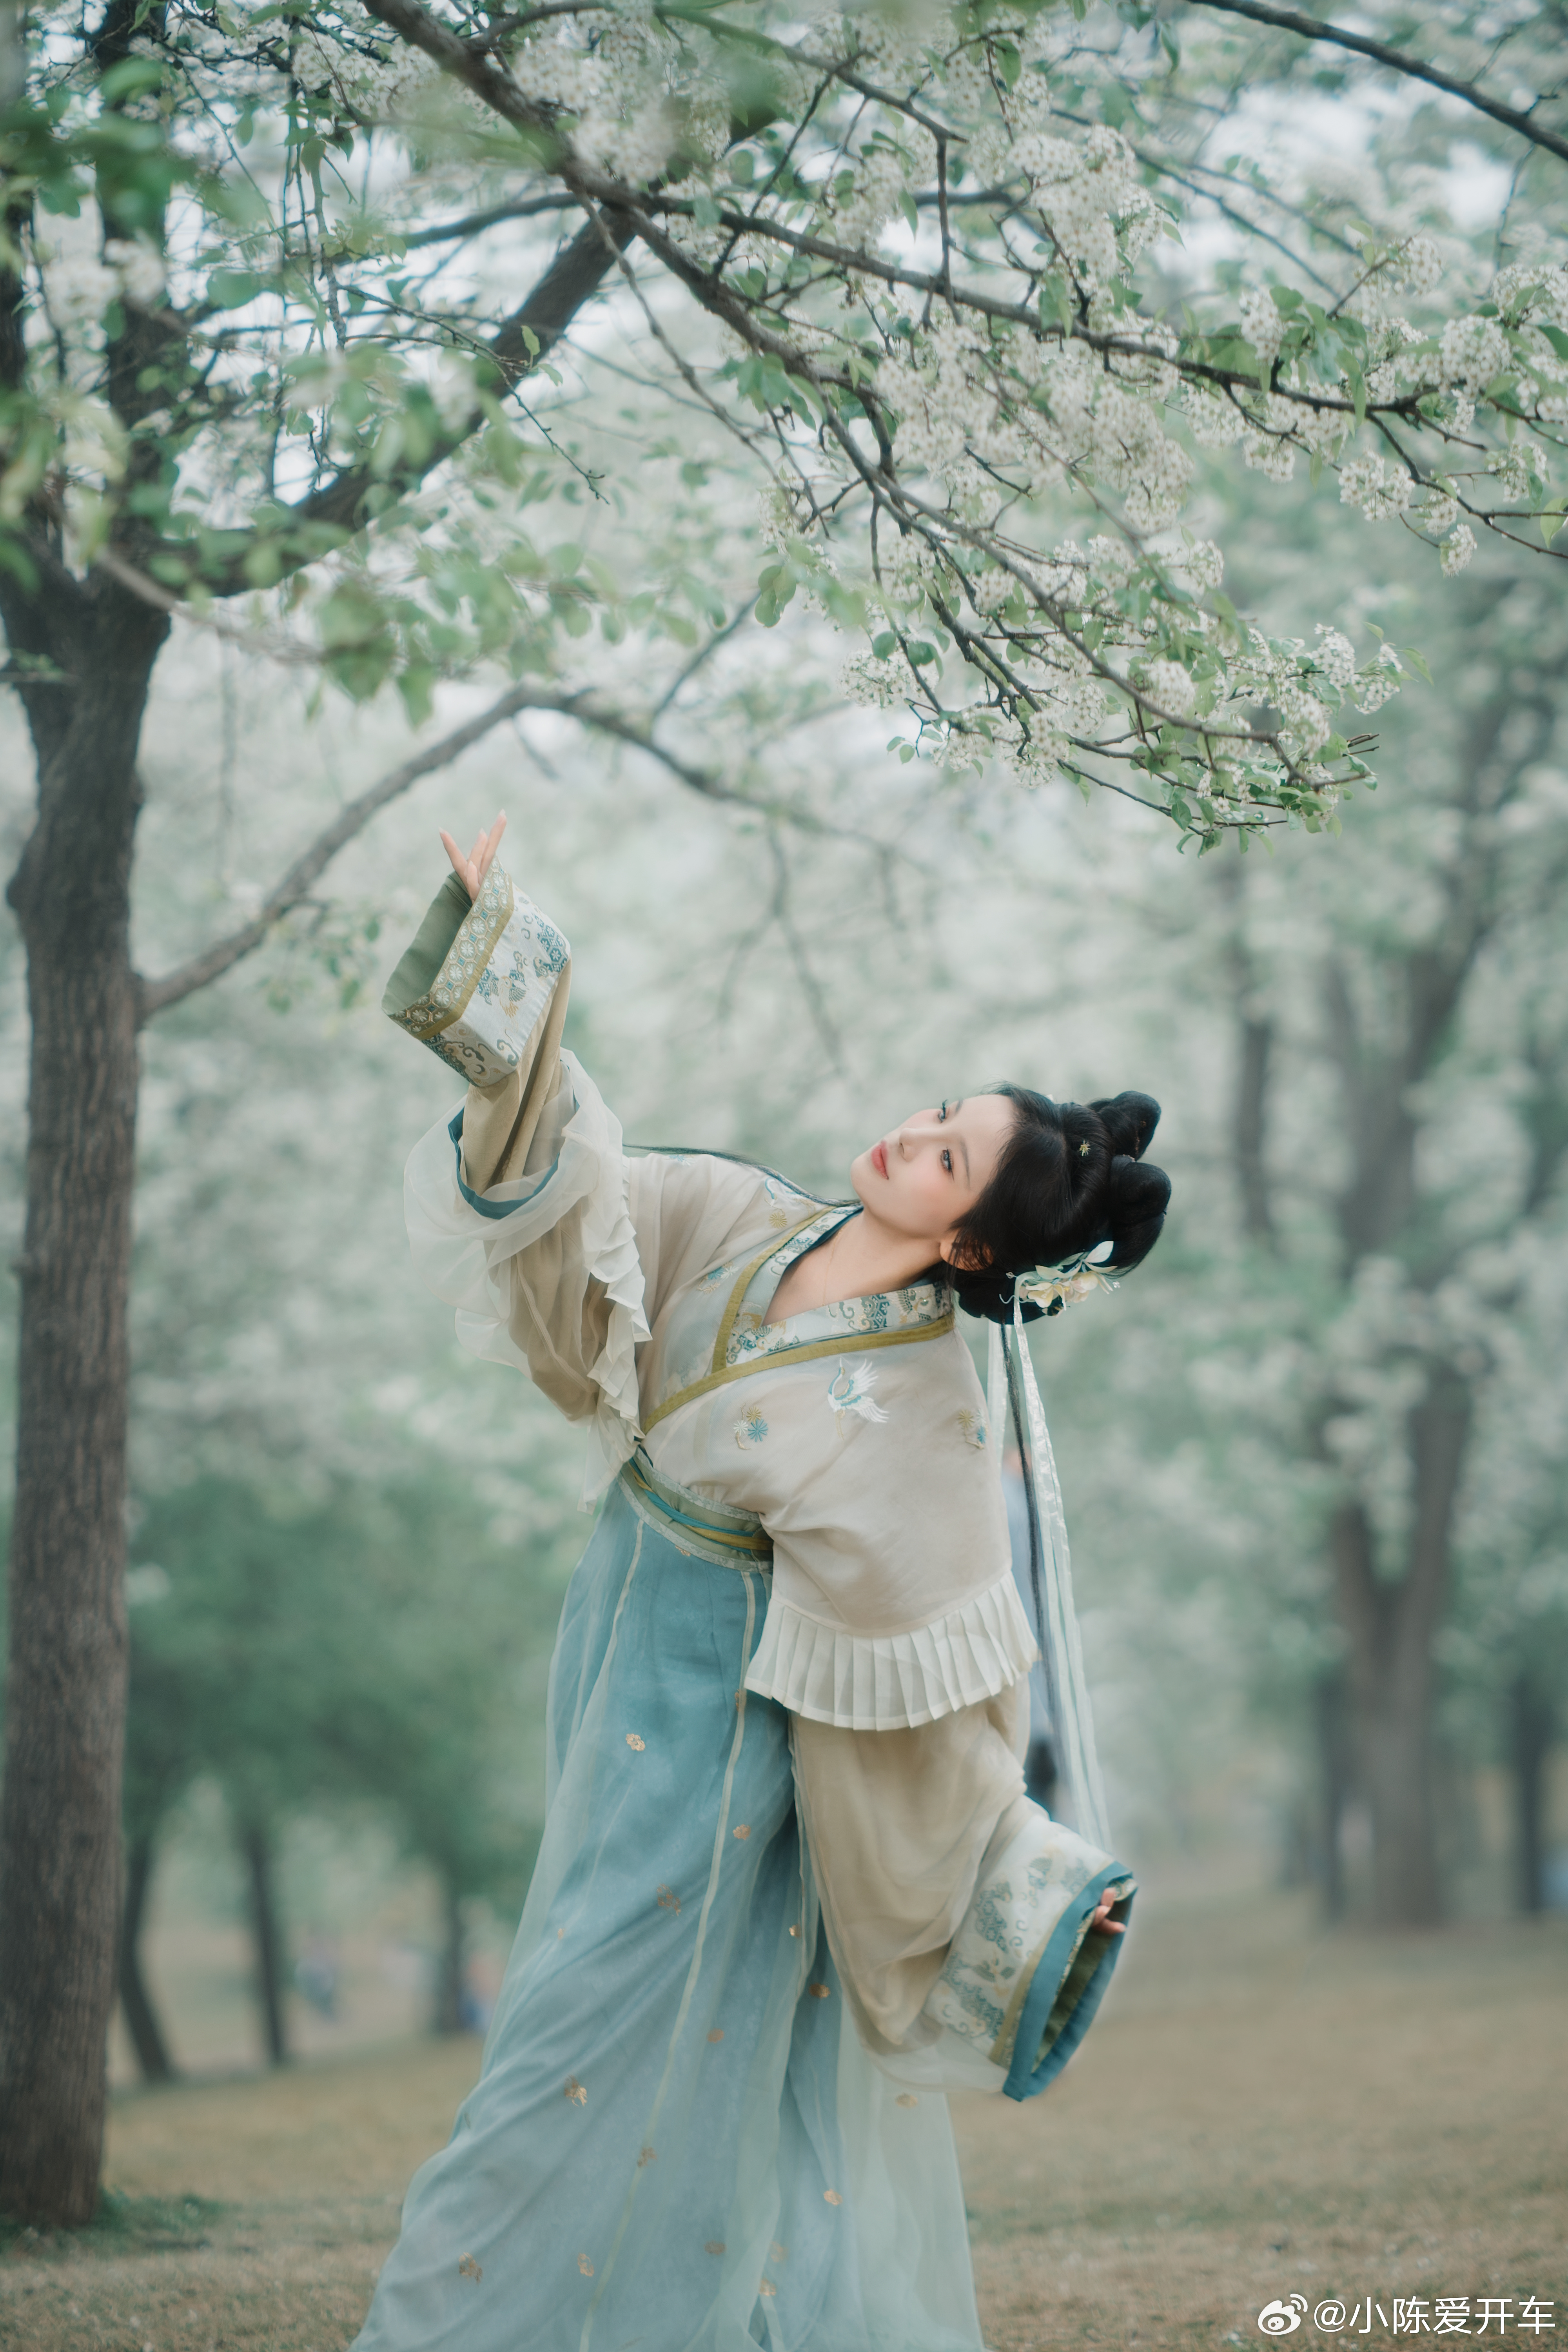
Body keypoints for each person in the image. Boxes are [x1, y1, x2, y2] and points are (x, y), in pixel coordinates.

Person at [350, 815, 1171, 2352]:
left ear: (974, 1237)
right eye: (931, 1114)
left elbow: (944, 1672)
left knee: (564, 2048)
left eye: (942, 1158)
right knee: (594, 2031)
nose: (904, 1141)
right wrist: (517, 981)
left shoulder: (927, 1404)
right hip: (616, 1670)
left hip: (727, 1761)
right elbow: (577, 1200)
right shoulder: (742, 1217)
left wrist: (1025, 1875)